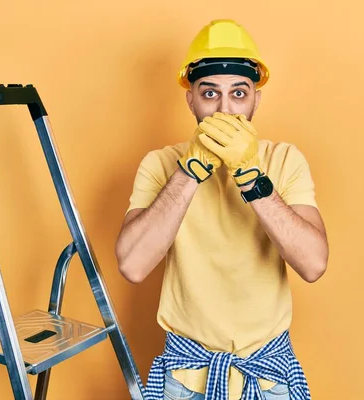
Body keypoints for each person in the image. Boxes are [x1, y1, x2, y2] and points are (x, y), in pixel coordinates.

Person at [115, 19, 329, 400]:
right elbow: (133, 265)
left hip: (267, 375)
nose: (226, 109)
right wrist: (190, 170)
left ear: (256, 99)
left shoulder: (284, 161)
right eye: (210, 94)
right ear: (191, 98)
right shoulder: (161, 164)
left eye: (239, 93)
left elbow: (313, 264)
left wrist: (252, 176)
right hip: (185, 376)